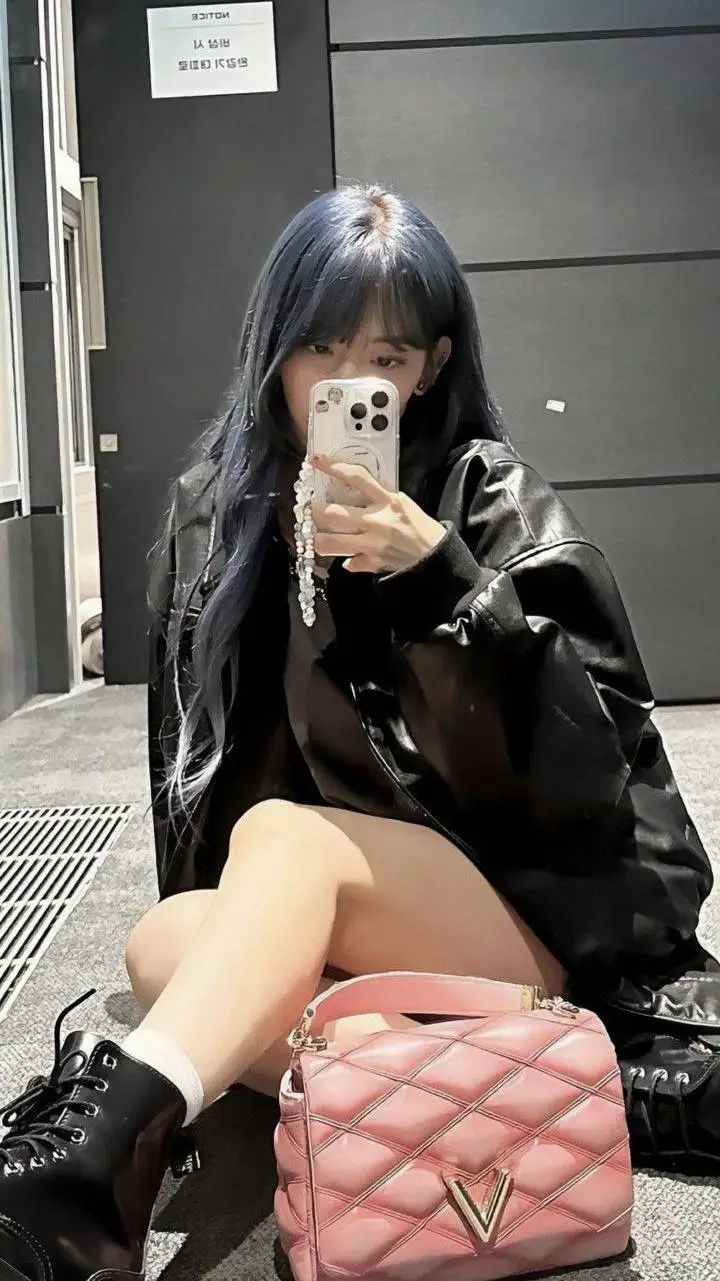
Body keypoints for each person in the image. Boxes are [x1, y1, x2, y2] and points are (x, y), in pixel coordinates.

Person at [1, 185, 718, 1281]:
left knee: (292, 838)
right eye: (321, 347)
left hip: (521, 918)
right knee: (165, 941)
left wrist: (444, 585)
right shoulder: (214, 520)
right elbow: (195, 794)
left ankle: (101, 1166)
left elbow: (595, 792)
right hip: (342, 924)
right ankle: (464, 1097)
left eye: (384, 356)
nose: (348, 382)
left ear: (429, 367)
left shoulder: (493, 504)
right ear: (275, 351)